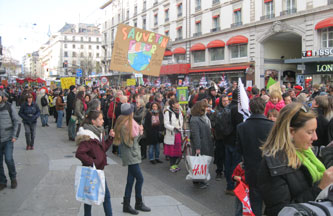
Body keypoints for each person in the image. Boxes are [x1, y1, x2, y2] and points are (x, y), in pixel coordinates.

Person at [257, 103, 333, 216]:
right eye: (310, 132)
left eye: (315, 131)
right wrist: (320, 187)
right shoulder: (273, 165)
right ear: (291, 132)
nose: (315, 137)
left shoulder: (308, 153)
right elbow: (281, 212)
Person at [236, 97, 274, 216]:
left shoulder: (242, 127)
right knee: (272, 200)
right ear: (264, 108)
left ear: (250, 109)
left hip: (251, 168)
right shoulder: (272, 126)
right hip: (271, 168)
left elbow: (239, 149)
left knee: (255, 199)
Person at [112, 103, 151, 215]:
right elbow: (129, 143)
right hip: (131, 155)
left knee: (130, 180)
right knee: (140, 179)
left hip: (131, 154)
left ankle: (127, 204)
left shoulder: (127, 122)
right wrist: (140, 133)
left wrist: (138, 131)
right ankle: (138, 203)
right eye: (132, 110)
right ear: (130, 113)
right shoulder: (125, 125)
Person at [75, 111, 113, 216]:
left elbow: (103, 149)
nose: (103, 121)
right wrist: (93, 162)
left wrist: (110, 138)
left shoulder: (99, 132)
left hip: (98, 169)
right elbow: (79, 153)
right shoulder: (88, 136)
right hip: (92, 170)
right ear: (93, 121)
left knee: (89, 197)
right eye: (100, 119)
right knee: (103, 196)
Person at [190, 100, 214, 189]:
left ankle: (198, 180)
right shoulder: (194, 119)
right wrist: (197, 147)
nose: (207, 108)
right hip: (201, 144)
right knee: (200, 164)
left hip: (205, 142)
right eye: (205, 107)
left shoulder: (203, 117)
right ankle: (199, 181)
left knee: (201, 163)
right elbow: (196, 135)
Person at [0, 91, 19, 190]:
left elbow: (16, 121)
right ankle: (2, 181)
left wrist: (14, 136)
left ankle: (13, 178)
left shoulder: (9, 107)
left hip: (8, 138)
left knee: (8, 159)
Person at [211, 94, 230, 181]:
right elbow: (213, 122)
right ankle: (219, 171)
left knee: (227, 156)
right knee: (219, 155)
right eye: (224, 101)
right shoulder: (216, 111)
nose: (226, 102)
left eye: (227, 100)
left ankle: (227, 171)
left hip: (228, 137)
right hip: (219, 137)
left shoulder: (230, 109)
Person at [164, 98, 184, 172]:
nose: (178, 104)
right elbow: (166, 124)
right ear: (173, 105)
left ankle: (175, 165)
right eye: (177, 103)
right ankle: (172, 165)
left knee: (178, 151)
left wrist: (180, 128)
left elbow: (181, 121)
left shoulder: (179, 112)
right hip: (171, 134)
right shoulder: (167, 112)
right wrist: (173, 128)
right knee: (172, 151)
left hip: (178, 133)